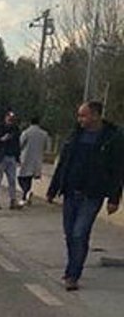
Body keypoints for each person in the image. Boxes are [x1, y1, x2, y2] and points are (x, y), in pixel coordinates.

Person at [46, 100, 124, 291]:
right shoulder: (75, 135)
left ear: (96, 116)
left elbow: (117, 170)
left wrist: (114, 198)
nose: (80, 119)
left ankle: (73, 274)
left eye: (84, 115)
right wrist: (53, 188)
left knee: (79, 233)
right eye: (79, 115)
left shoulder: (112, 138)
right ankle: (72, 266)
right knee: (70, 234)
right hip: (71, 192)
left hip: (92, 194)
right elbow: (64, 163)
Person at [0, 109, 22, 209]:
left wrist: (17, 157)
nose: (10, 121)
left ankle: (13, 200)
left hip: (11, 157)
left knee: (12, 180)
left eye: (12, 119)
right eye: (9, 118)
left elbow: (17, 144)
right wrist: (2, 139)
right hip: (0, 157)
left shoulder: (15, 130)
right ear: (5, 118)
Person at [18, 114, 49, 204]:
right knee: (29, 178)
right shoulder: (44, 134)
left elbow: (20, 144)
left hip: (26, 158)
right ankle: (26, 194)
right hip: (37, 160)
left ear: (30, 122)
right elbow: (46, 147)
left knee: (21, 177)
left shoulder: (26, 132)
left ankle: (25, 193)